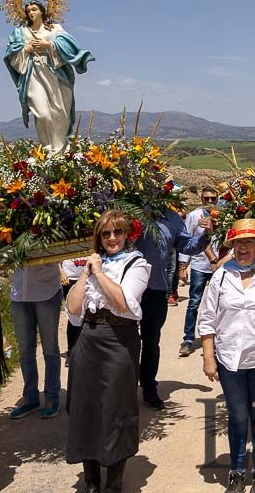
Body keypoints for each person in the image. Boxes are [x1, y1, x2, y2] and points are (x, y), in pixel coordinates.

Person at [198, 219, 255, 493]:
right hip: (230, 359)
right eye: (238, 242)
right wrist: (208, 356)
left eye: (249, 242)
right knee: (238, 417)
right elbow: (207, 319)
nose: (243, 247)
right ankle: (237, 472)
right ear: (232, 246)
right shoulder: (221, 275)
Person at [65, 210, 151, 493]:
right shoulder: (92, 265)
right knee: (84, 407)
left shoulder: (136, 263)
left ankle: (114, 483)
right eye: (105, 234)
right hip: (88, 339)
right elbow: (74, 309)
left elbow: (123, 302)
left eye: (117, 232)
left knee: (116, 410)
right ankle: (91, 481)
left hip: (119, 340)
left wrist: (99, 273)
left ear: (127, 235)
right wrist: (86, 273)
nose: (112, 238)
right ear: (98, 238)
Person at [135, 209, 210, 409]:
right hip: (124, 288)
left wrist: (206, 236)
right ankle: (123, 386)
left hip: (155, 288)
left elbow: (187, 245)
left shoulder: (172, 218)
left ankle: (149, 388)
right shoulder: (128, 205)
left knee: (151, 342)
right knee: (124, 340)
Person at [4, 0, 94, 154]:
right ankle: (46, 148)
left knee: (59, 112)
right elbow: (11, 54)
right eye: (28, 11)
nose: (31, 13)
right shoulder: (21, 32)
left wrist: (49, 45)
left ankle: (58, 151)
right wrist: (27, 49)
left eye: (34, 9)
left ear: (42, 11)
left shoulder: (55, 29)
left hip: (55, 74)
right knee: (42, 113)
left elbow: (69, 45)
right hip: (33, 73)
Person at [8, 263, 64, 419]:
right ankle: (30, 398)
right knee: (25, 349)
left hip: (46, 291)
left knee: (50, 348)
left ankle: (52, 397)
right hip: (19, 293)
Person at [180, 187, 221, 357]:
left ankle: (217, 340)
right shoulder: (194, 216)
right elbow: (186, 240)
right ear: (201, 199)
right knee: (194, 303)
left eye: (213, 199)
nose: (210, 202)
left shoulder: (223, 216)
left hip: (220, 265)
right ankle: (188, 339)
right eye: (207, 199)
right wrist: (183, 266)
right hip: (200, 265)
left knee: (220, 304)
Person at [61, 256, 89, 361]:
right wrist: (61, 271)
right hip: (69, 276)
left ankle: (87, 350)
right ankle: (71, 351)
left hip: (89, 274)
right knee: (73, 315)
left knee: (88, 313)